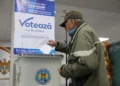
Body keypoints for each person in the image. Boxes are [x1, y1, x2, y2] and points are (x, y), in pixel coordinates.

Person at [48, 10, 109, 86]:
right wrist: (57, 45)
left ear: (72, 21)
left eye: (65, 24)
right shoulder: (84, 32)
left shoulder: (82, 34)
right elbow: (74, 50)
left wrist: (65, 70)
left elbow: (86, 65)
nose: (65, 28)